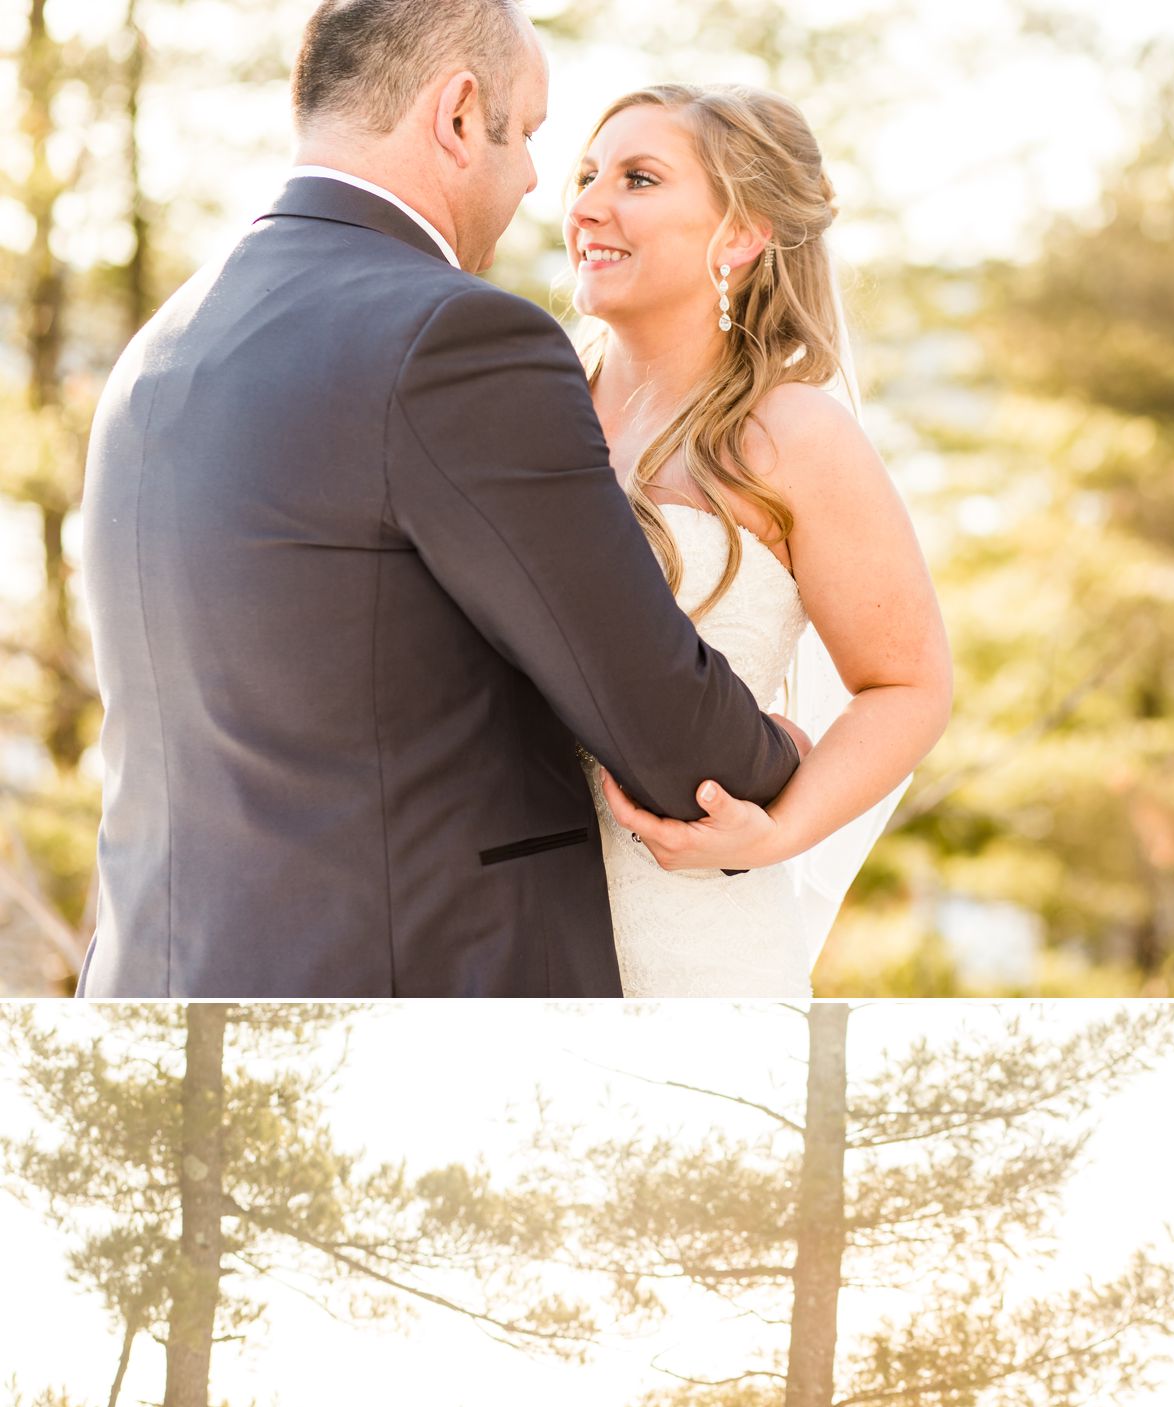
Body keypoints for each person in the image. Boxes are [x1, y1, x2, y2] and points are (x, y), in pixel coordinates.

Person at [76, 0, 803, 998]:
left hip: (156, 996)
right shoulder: (456, 338)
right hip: (403, 1018)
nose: (542, 182)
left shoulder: (157, 348)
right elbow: (667, 729)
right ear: (460, 116)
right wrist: (788, 754)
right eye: (533, 134)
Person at [567, 84, 952, 995]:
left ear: (738, 236)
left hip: (694, 937)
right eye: (587, 174)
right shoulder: (527, 409)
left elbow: (908, 685)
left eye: (638, 178)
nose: (586, 205)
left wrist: (775, 833)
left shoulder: (792, 437)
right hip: (495, 930)